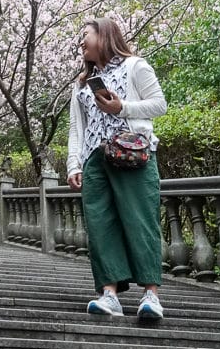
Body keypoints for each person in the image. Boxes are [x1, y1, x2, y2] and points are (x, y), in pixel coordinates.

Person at [66, 17, 167, 320]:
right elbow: (76, 127)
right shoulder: (82, 84)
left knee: (140, 221)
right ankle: (109, 295)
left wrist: (122, 108)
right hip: (95, 159)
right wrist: (74, 163)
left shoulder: (136, 66)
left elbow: (159, 105)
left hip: (132, 152)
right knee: (101, 225)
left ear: (104, 34)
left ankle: (151, 295)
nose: (81, 42)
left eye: (85, 35)